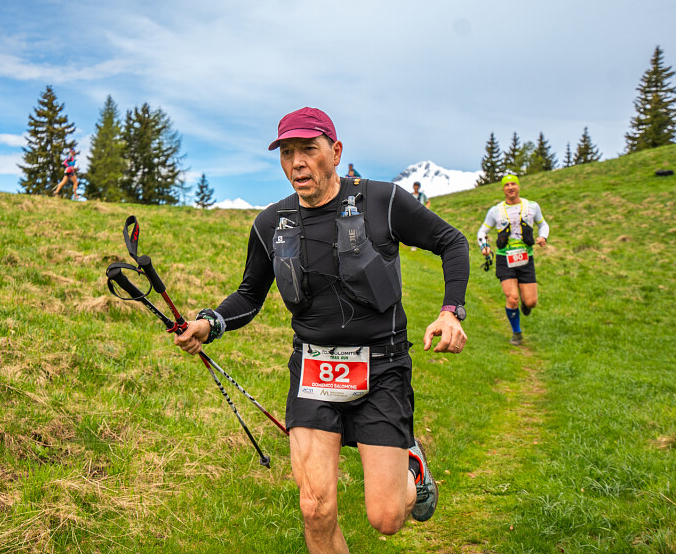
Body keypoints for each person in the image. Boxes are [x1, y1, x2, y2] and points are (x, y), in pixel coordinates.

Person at [174, 107, 470, 553]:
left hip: (382, 368)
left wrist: (450, 311)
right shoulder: (270, 223)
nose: (297, 162)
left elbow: (452, 241)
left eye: (308, 150)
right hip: (314, 370)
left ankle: (412, 467)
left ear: (335, 151)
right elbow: (250, 295)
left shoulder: (381, 201)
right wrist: (209, 323)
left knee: (387, 518)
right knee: (315, 508)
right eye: (287, 152)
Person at [476, 174, 549, 346]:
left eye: (513, 184)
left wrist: (542, 237)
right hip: (504, 259)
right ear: (503, 189)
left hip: (526, 258)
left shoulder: (532, 206)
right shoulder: (495, 211)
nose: (510, 187)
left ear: (518, 186)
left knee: (531, 302)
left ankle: (526, 305)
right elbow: (482, 232)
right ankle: (517, 332)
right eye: (506, 185)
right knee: (512, 297)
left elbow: (543, 224)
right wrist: (484, 247)